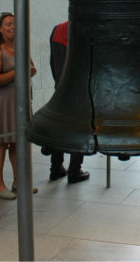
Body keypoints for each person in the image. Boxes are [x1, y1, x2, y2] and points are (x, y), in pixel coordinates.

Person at [0, 12, 37, 200]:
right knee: (2, 143)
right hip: (3, 102)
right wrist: (17, 72)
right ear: (0, 28)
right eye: (8, 24)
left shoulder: (21, 46)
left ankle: (18, 182)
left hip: (20, 101)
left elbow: (32, 69)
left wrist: (29, 71)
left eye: (15, 24)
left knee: (17, 142)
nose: (12, 27)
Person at [47, 21, 90, 184]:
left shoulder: (57, 29)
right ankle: (75, 170)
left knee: (60, 127)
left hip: (61, 89)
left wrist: (59, 84)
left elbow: (53, 62)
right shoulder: (87, 29)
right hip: (81, 91)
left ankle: (56, 168)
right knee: (79, 129)